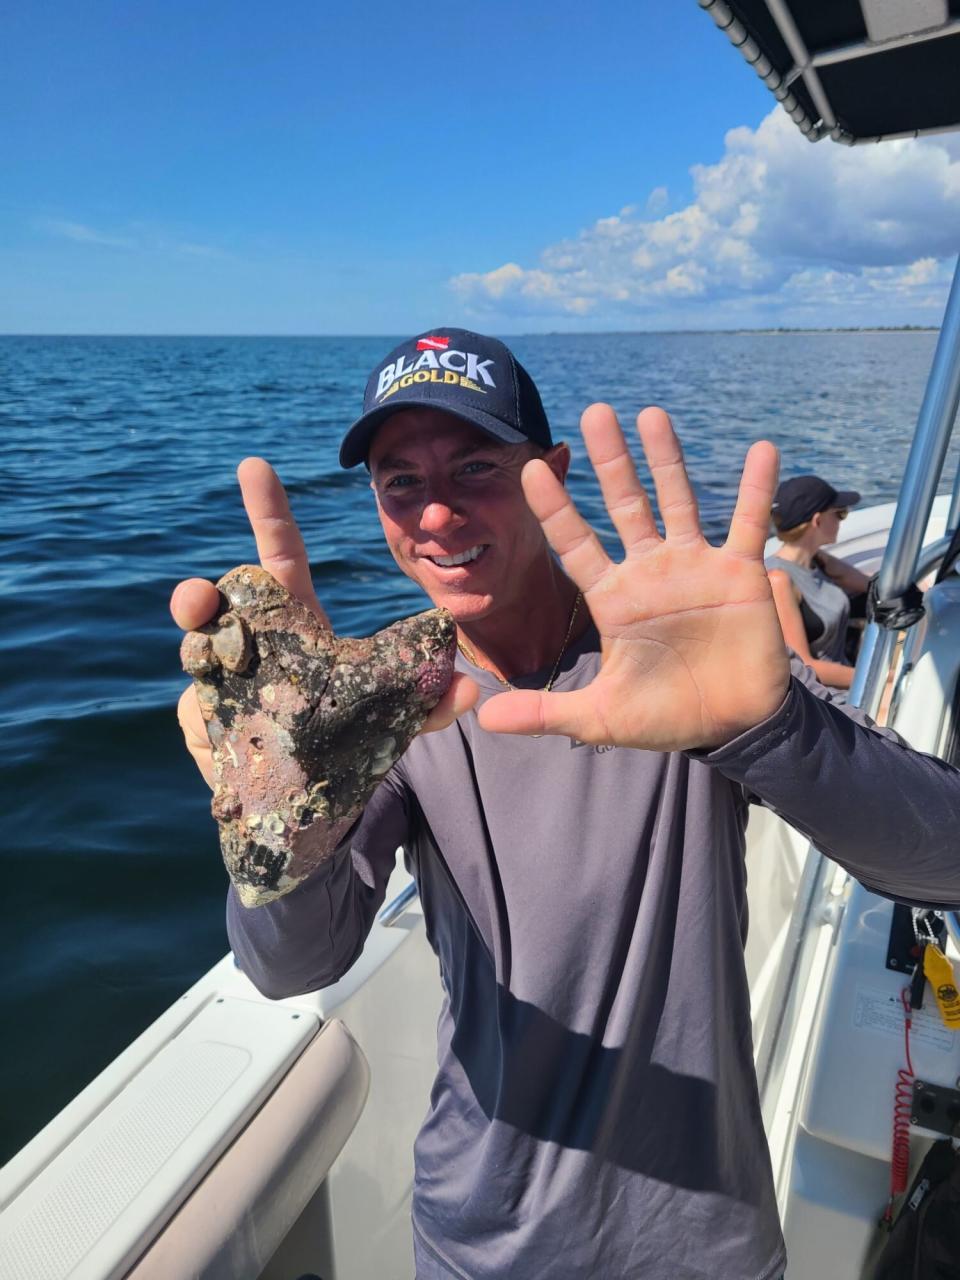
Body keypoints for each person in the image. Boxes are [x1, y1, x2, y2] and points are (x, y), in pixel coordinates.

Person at [172, 327, 960, 1280]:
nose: (436, 514)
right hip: (476, 1248)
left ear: (547, 472)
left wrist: (772, 726)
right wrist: (276, 817)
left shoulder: (675, 652)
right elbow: (293, 964)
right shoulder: (385, 703)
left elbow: (943, 857)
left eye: (474, 466)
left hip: (704, 1244)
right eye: (400, 481)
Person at [766, 475, 871, 690]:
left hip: (847, 675)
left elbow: (873, 588)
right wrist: (877, 676)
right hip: (824, 692)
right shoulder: (779, 580)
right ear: (818, 521)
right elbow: (803, 665)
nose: (842, 520)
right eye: (840, 514)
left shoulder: (817, 562)